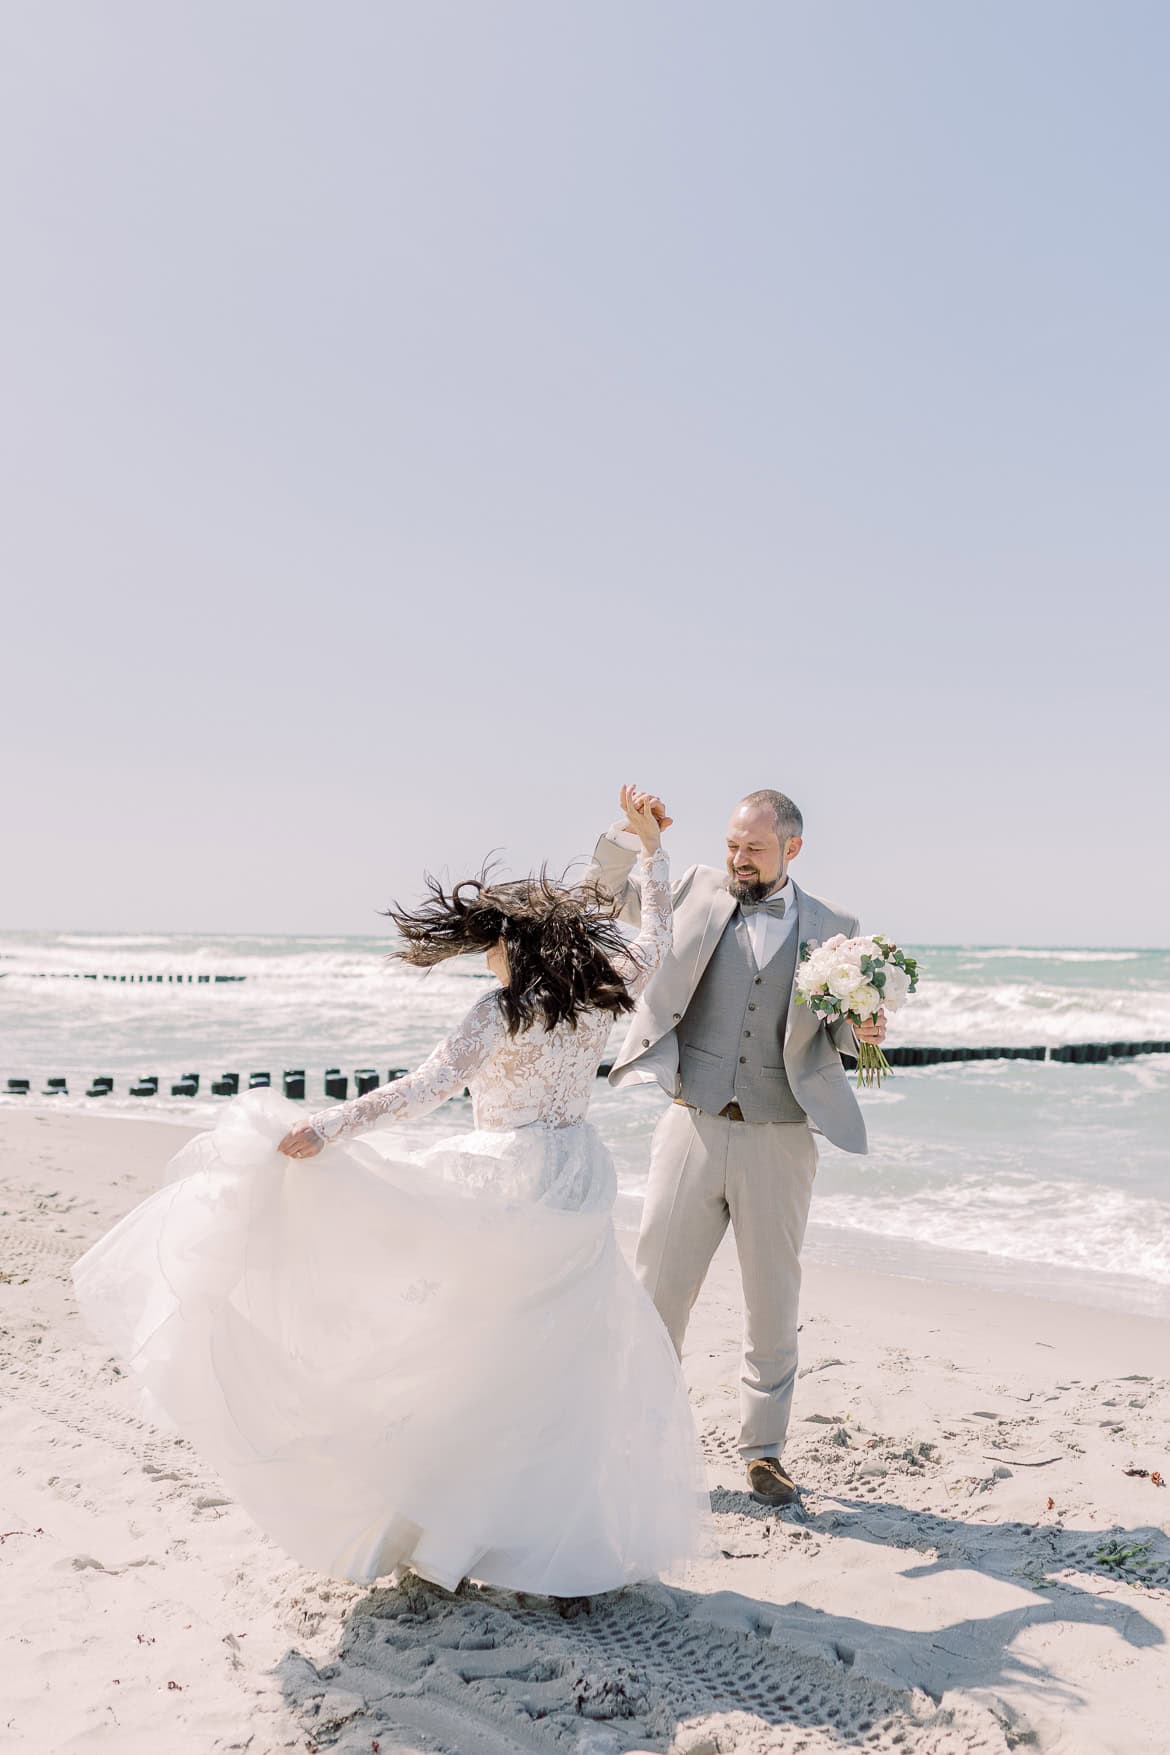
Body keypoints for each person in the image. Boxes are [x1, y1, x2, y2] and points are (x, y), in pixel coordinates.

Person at [71, 788, 708, 1597]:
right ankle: (533, 1534)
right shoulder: (599, 989)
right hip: (576, 1181)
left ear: (516, 944)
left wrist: (329, 1129)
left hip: (504, 1181)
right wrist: (652, 853)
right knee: (557, 1362)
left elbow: (423, 1088)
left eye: (493, 943)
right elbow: (658, 935)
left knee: (478, 1354)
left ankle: (452, 1525)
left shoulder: (498, 1012)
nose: (485, 957)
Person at [584, 786, 885, 1505]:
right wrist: (631, 838)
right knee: (659, 1291)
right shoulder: (690, 888)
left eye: (752, 846)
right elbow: (603, 896)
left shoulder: (837, 930)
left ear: (792, 848)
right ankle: (637, 1435)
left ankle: (764, 1452)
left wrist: (868, 1034)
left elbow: (845, 1033)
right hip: (690, 1123)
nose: (737, 857)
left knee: (772, 1302)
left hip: (780, 1138)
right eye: (731, 844)